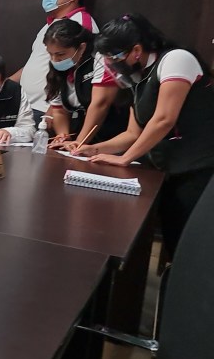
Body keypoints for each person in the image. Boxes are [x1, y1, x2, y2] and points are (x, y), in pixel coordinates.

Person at [75, 14, 214, 258]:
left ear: (137, 50)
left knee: (191, 243)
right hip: (168, 168)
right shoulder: (138, 77)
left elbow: (164, 119)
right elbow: (133, 133)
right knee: (172, 236)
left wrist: (125, 158)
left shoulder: (176, 59)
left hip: (197, 167)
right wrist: (94, 149)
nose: (110, 64)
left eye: (113, 57)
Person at [11, 0, 119, 132]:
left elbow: (76, 71)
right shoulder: (49, 26)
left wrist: (52, 111)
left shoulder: (81, 23)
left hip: (46, 110)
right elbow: (34, 63)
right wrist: (5, 84)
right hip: (26, 106)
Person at [41, 18, 129, 145]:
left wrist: (79, 143)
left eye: (60, 54)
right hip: (84, 136)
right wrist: (63, 136)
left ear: (81, 48)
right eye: (50, 54)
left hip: (113, 136)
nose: (55, 60)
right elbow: (59, 110)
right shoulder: (59, 68)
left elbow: (100, 104)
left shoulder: (100, 56)